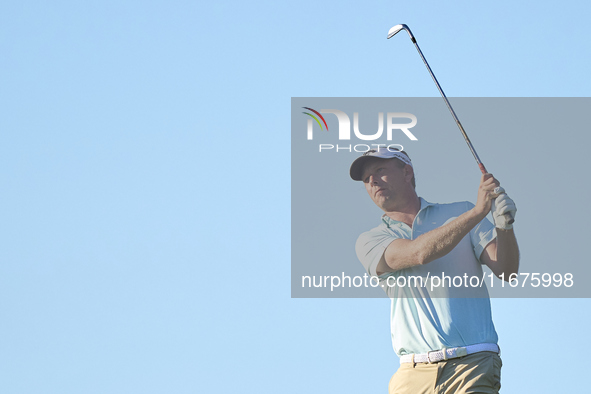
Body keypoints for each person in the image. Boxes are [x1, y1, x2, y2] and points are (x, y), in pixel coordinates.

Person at [350, 148, 519, 394]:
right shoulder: (370, 239)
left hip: (471, 366)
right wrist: (476, 213)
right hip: (412, 375)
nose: (373, 181)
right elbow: (418, 254)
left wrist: (504, 227)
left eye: (380, 171)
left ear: (407, 172)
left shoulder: (461, 211)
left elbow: (506, 270)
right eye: (366, 179)